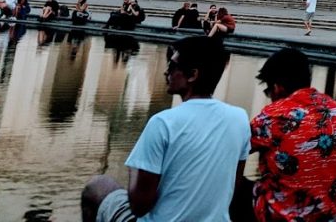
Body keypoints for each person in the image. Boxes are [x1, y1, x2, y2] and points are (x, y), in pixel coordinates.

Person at [80, 36, 251, 222]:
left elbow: (139, 206)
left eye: (172, 66)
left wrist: (135, 168)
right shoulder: (239, 118)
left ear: (192, 75)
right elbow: (234, 185)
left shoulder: (163, 122)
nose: (165, 72)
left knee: (97, 187)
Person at [248, 48, 336, 221]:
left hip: (284, 216)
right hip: (333, 216)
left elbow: (234, 148)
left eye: (268, 92)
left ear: (277, 87)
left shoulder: (274, 116)